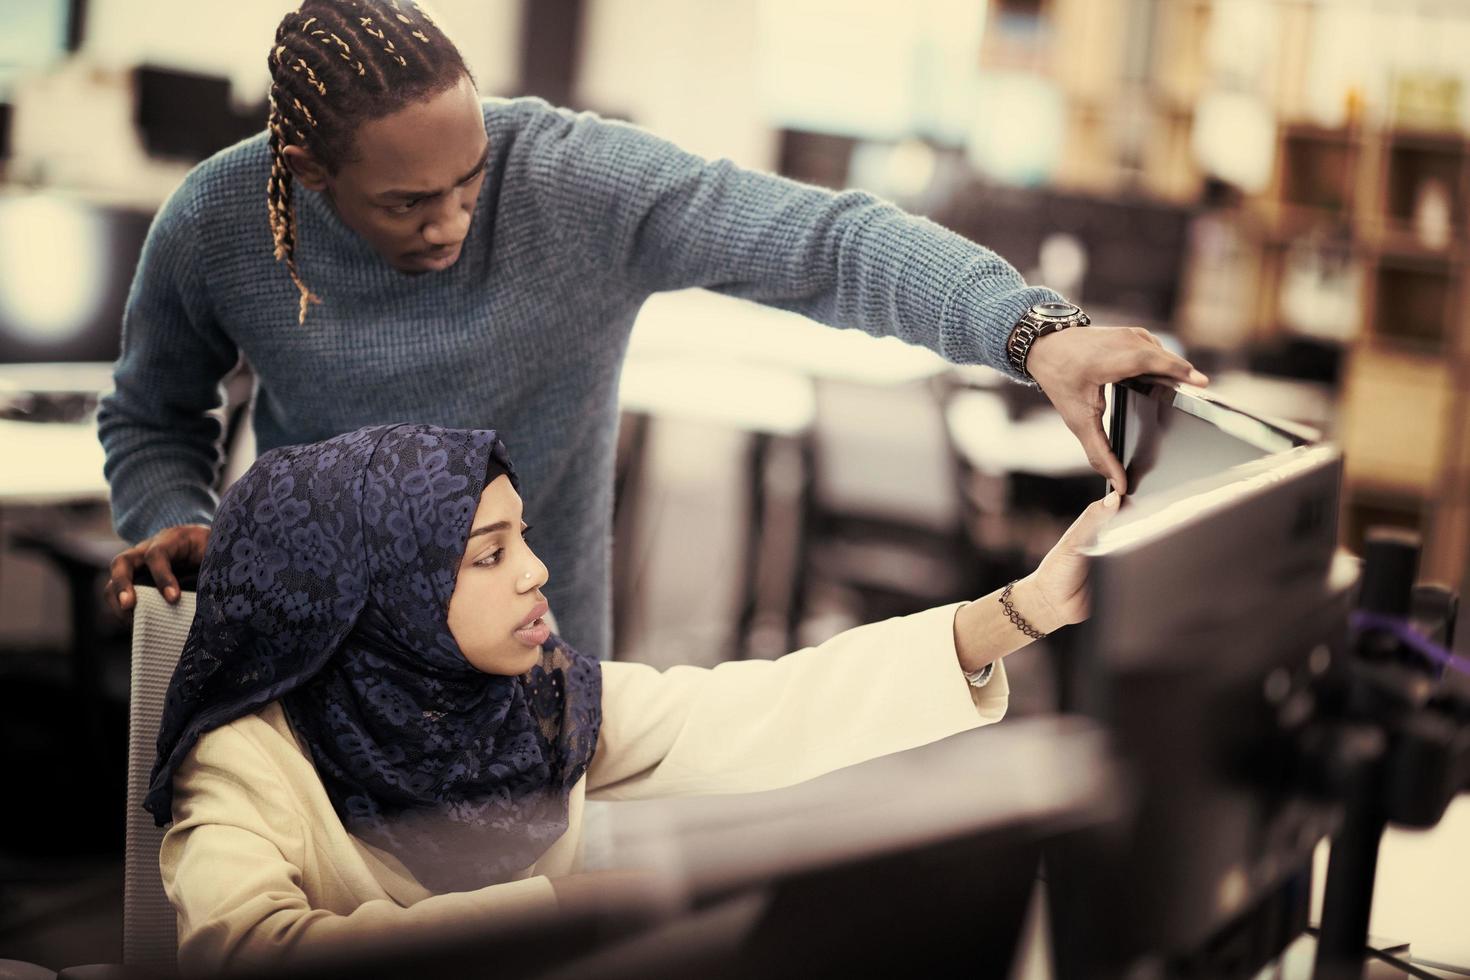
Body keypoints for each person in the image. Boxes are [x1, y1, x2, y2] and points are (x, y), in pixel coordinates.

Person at [99, 0, 1201, 659]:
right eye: (406, 204)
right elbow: (154, 408)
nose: (452, 223)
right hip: (309, 654)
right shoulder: (220, 215)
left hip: (534, 670)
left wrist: (1031, 329)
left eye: (470, 180)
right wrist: (169, 514)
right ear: (308, 173)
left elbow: (829, 242)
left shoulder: (577, 183)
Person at [149, 422, 1116, 977]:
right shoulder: (248, 755)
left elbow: (769, 707)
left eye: (521, 537)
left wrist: (1021, 611)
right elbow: (245, 957)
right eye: (489, 555)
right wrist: (559, 911)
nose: (535, 572)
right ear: (379, 597)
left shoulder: (539, 702)